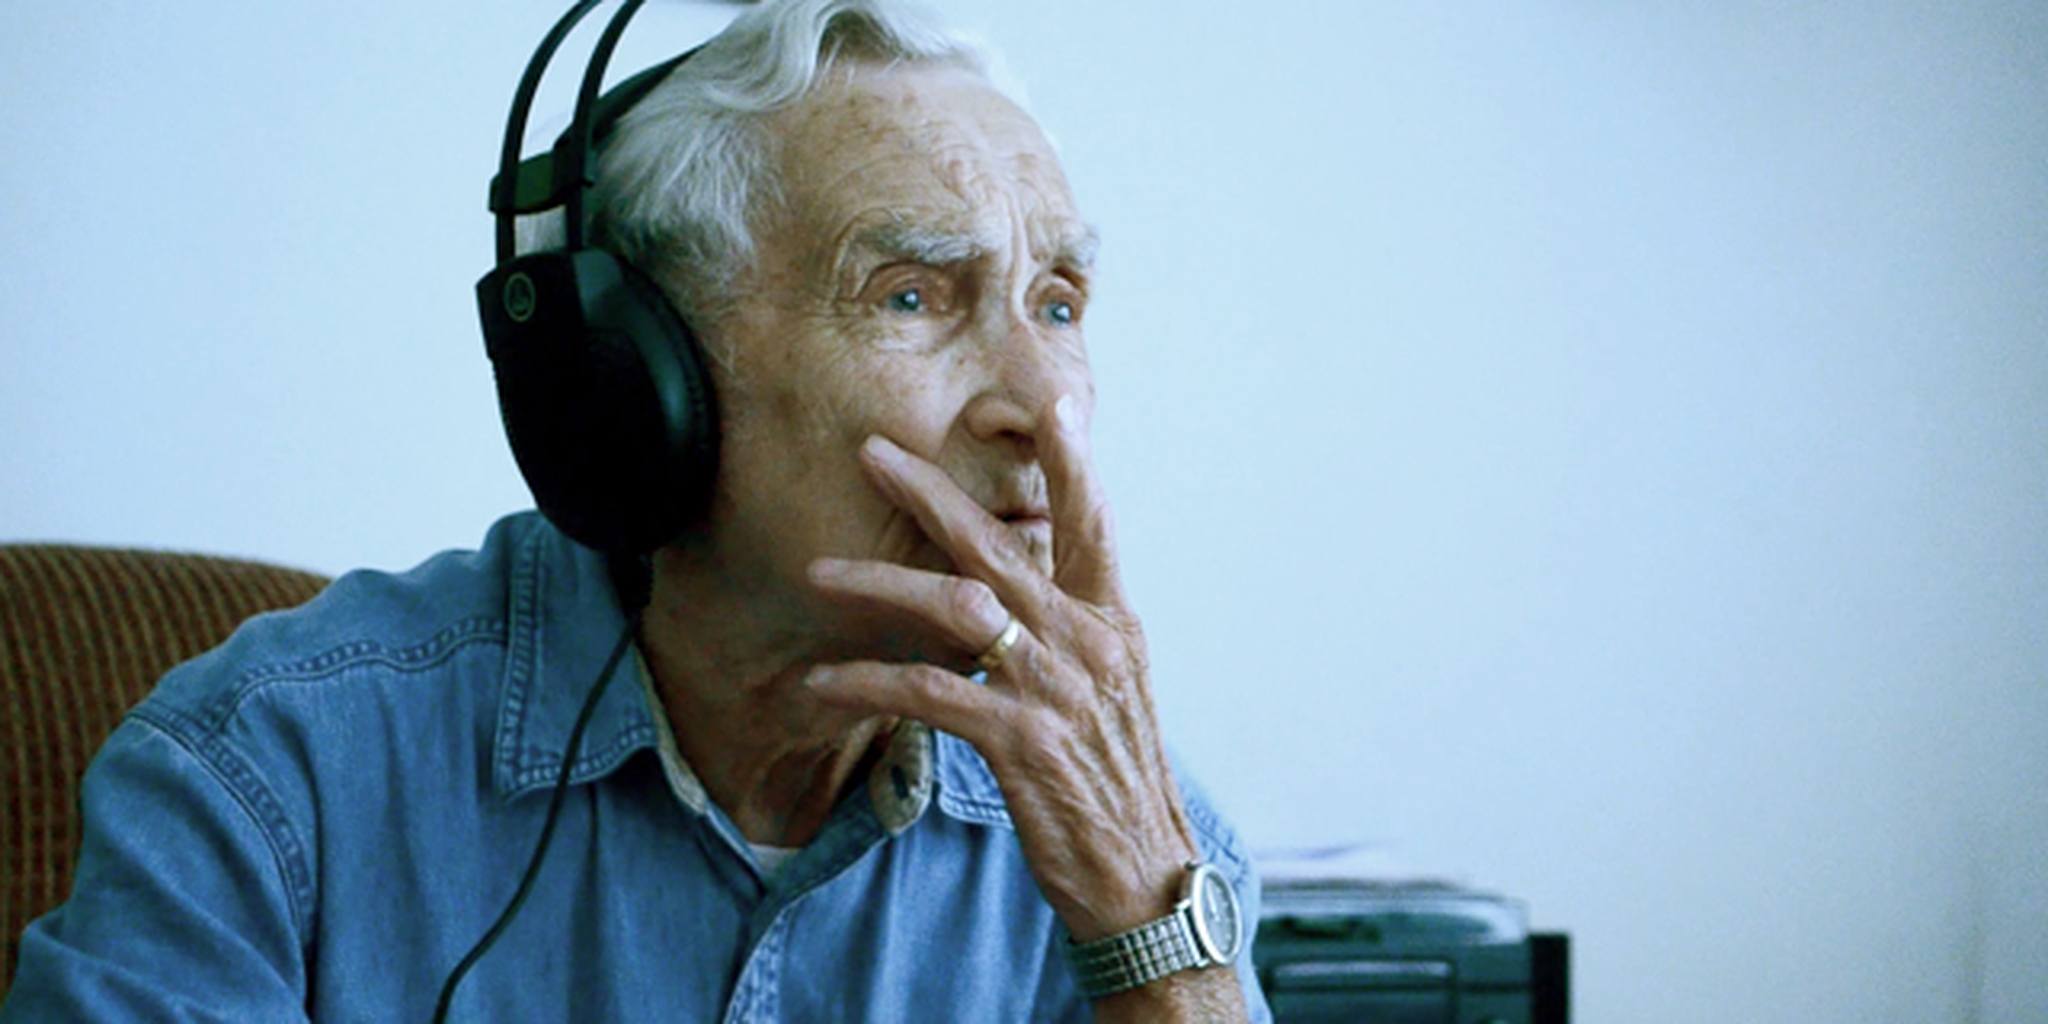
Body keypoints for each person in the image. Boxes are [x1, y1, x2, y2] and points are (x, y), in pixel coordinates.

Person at [1, 1, 1269, 1019]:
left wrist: (1152, 932)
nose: (1046, 406)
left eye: (1057, 305)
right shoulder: (265, 780)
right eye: (909, 296)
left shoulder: (1139, 841)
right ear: (638, 381)